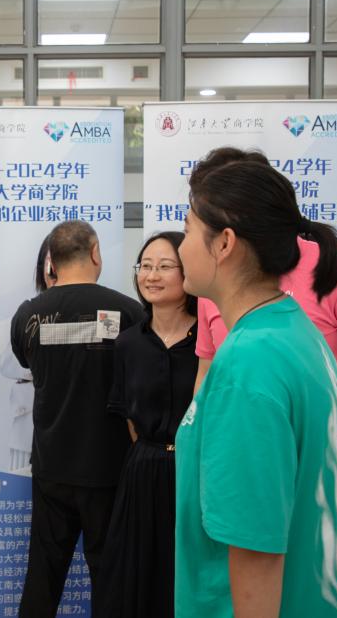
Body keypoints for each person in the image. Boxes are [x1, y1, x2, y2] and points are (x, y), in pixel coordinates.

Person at [190, 147, 337, 575]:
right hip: (237, 460)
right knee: (240, 586)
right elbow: (206, 379)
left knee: (317, 586)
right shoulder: (211, 283)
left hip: (320, 464)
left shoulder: (335, 269)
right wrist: (196, 463)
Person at [174, 160, 337, 618]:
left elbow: (256, 548)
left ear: (224, 243)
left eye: (187, 229)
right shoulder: (291, 328)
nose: (180, 247)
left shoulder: (248, 364)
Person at [10, 220, 144, 616]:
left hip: (51, 466)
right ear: (96, 253)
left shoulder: (29, 314)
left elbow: (26, 362)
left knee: (43, 575)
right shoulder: (129, 311)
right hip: (109, 468)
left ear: (51, 261)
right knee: (110, 575)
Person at [97, 231, 198, 618]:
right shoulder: (128, 343)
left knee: (187, 574)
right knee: (139, 578)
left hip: (195, 471)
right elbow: (129, 421)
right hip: (143, 475)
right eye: (146, 266)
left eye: (165, 266)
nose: (152, 276)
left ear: (188, 273)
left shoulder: (210, 340)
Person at [1, 235, 56, 473]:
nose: (55, 271)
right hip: (27, 419)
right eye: (51, 263)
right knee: (21, 482)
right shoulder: (30, 312)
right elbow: (8, 365)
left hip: (72, 427)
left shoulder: (88, 309)